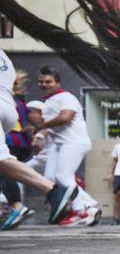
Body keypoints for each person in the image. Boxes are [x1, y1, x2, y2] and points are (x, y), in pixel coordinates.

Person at [0, 50, 77, 225]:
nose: (43, 84)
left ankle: (51, 191)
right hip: (7, 107)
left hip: (61, 145)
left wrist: (40, 129)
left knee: (2, 160)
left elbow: (60, 118)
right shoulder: (4, 57)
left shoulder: (65, 99)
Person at [37, 66, 102, 227]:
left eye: (49, 81)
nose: (44, 84)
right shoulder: (48, 101)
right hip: (59, 144)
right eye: (41, 81)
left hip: (74, 142)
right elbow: (51, 127)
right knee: (50, 178)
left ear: (57, 83)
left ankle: (81, 211)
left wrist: (42, 126)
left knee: (63, 176)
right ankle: (89, 204)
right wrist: (40, 134)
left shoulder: (66, 97)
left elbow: (65, 118)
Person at [1, 71, 33, 230]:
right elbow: (33, 119)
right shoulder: (18, 102)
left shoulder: (6, 100)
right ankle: (13, 207)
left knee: (5, 172)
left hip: (11, 141)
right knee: (7, 174)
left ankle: (16, 206)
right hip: (21, 143)